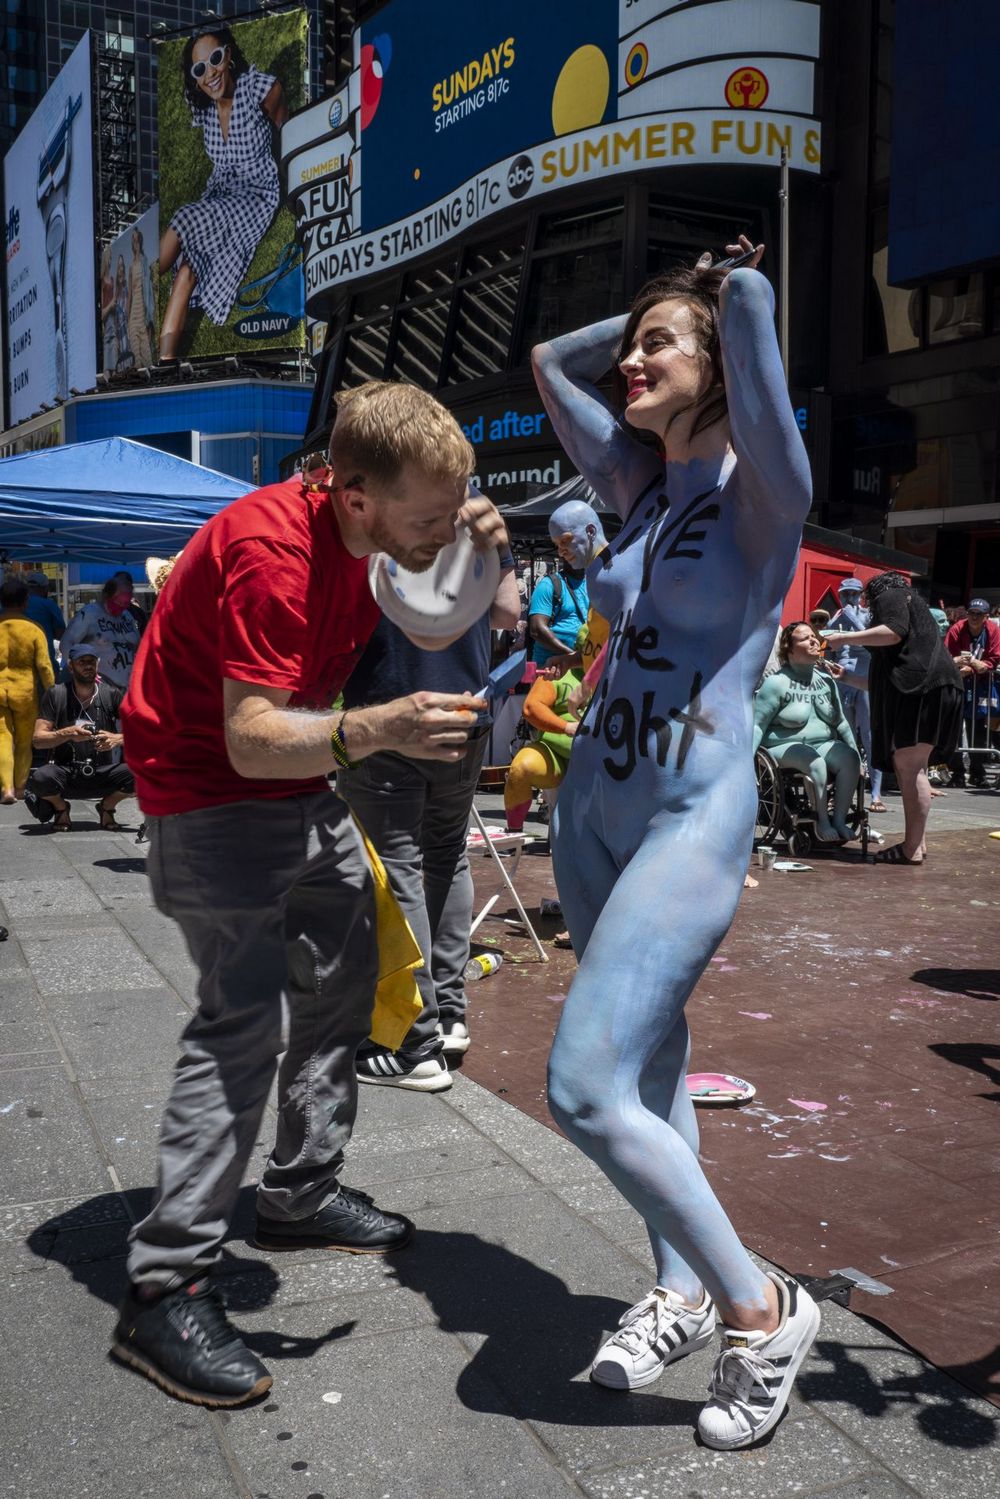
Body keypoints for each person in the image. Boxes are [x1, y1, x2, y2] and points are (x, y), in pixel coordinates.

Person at [115, 380, 506, 1409]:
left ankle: (297, 1190)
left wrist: (482, 552)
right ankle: (164, 1286)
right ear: (356, 494)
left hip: (297, 784)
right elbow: (250, 739)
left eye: (451, 513)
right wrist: (383, 727)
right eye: (429, 517)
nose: (441, 533)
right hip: (208, 788)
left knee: (344, 977)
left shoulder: (373, 529)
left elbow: (444, 607)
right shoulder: (270, 551)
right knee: (242, 1021)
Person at [530, 236, 819, 1450]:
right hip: (589, 810)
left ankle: (760, 1307)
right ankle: (680, 1288)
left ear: (719, 366)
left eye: (658, 348)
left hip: (687, 817)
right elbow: (551, 360)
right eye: (633, 345)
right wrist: (658, 315)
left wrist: (714, 294)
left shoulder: (765, 489)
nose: (630, 363)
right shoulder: (637, 489)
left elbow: (749, 303)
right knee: (647, 1067)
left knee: (582, 1086)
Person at [338, 525, 520, 1088]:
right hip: (465, 711)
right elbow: (508, 612)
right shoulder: (478, 517)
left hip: (390, 709)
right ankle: (448, 1017)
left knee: (397, 868)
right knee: (447, 856)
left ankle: (411, 1043)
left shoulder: (376, 510)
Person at [158, 27, 286, 361]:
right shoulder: (203, 106)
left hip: (255, 194)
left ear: (228, 56)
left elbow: (287, 131)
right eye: (200, 69)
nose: (210, 73)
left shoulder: (256, 89)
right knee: (187, 271)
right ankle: (163, 367)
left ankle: (143, 278)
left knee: (184, 219)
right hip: (219, 194)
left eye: (215, 59)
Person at [825, 571, 962, 864]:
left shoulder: (893, 595)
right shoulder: (913, 609)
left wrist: (843, 637)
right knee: (911, 767)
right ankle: (917, 843)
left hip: (923, 690)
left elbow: (893, 631)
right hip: (929, 687)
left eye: (865, 599)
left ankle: (911, 849)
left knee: (909, 767)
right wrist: (847, 677)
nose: (865, 605)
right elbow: (889, 678)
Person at [752, 622, 861, 842]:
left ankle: (839, 820)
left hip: (822, 744)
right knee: (815, 762)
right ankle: (822, 822)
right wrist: (748, 763)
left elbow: (841, 722)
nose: (813, 641)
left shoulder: (826, 681)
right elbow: (758, 725)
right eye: (805, 639)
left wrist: (856, 753)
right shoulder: (776, 683)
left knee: (850, 759)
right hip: (781, 746)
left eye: (814, 637)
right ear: (789, 649)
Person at [27, 646, 134, 830]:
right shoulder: (56, 694)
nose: (88, 666)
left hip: (102, 773)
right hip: (66, 774)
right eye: (81, 662)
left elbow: (142, 730)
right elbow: (38, 740)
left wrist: (118, 739)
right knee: (40, 778)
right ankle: (61, 808)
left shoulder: (110, 694)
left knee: (146, 771)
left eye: (91, 661)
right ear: (70, 666)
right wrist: (67, 734)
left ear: (97, 665)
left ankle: (107, 806)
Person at [826, 577, 885, 812]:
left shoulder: (868, 617)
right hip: (843, 680)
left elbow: (870, 641)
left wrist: (850, 616)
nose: (849, 598)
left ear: (860, 595)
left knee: (869, 737)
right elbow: (830, 652)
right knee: (847, 738)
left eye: (853, 593)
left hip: (864, 679)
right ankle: (846, 791)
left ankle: (876, 793)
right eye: (845, 594)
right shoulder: (835, 619)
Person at [0, 578, 55, 804]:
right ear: (25, 601)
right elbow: (44, 666)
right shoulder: (34, 629)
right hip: (25, 693)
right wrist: (53, 693)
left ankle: (6, 789)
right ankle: (21, 787)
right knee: (24, 742)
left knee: (2, 738)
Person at [944, 596, 1000, 787]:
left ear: (986, 616)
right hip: (957, 682)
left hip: (981, 685)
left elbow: (993, 659)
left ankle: (977, 771)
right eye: (971, 613)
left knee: (978, 728)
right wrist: (959, 664)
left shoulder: (993, 630)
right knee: (954, 727)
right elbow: (947, 656)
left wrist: (973, 665)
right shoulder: (957, 629)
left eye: (979, 614)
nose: (974, 617)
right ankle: (957, 772)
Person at [59, 578, 142, 691]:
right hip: (99, 688)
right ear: (107, 596)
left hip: (127, 688)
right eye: (118, 602)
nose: (121, 607)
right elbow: (65, 644)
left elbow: (138, 645)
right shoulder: (90, 613)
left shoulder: (127, 616)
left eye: (126, 604)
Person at [527, 549, 589, 668]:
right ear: (562, 555)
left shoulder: (593, 584)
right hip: (550, 668)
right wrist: (574, 657)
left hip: (582, 669)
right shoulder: (548, 584)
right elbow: (536, 629)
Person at [24, 571, 66, 678]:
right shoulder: (49, 605)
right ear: (45, 588)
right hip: (44, 666)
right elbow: (61, 634)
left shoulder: (12, 606)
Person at [126, 227, 155, 368]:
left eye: (136, 240)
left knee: (148, 360)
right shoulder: (131, 267)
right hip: (133, 317)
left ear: (140, 242)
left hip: (143, 316)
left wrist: (149, 317)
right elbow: (129, 295)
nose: (135, 243)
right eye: (133, 240)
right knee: (136, 360)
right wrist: (127, 320)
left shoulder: (145, 262)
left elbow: (149, 291)